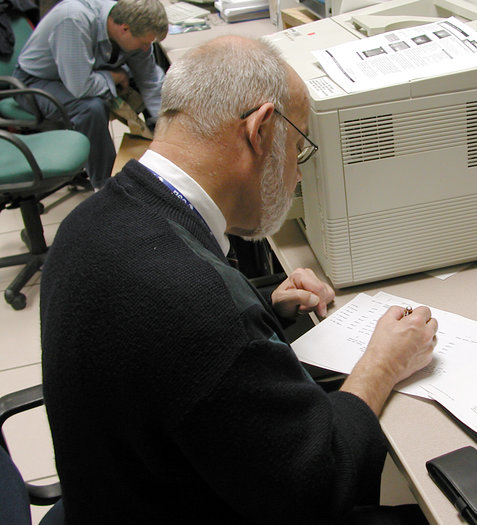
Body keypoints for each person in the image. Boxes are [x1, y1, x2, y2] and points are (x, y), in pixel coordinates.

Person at [40, 36, 439, 524]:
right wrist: (382, 365)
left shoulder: (90, 220)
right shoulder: (197, 305)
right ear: (261, 131)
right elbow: (320, 486)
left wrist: (263, 309)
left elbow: (163, 344)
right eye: (299, 147)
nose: (295, 175)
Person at [12, 0, 168, 189]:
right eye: (144, 43)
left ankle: (158, 165)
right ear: (124, 29)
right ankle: (106, 187)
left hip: (82, 74)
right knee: (92, 108)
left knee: (141, 88)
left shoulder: (130, 27)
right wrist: (112, 77)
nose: (146, 48)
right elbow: (80, 87)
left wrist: (164, 127)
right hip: (37, 82)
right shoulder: (74, 20)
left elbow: (150, 82)